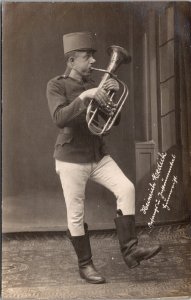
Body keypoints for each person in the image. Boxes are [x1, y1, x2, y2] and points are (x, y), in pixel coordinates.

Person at [46, 32, 161, 284]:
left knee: (126, 188)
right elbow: (59, 119)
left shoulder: (93, 86)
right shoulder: (56, 85)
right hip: (70, 158)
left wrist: (110, 96)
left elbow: (112, 120)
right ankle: (85, 265)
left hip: (97, 155)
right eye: (87, 58)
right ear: (71, 60)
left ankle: (130, 251)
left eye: (93, 57)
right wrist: (85, 97)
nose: (92, 63)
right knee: (76, 213)